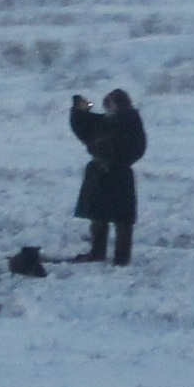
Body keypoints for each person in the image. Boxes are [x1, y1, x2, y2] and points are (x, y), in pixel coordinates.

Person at [69, 88, 146, 265]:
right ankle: (97, 253)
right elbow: (84, 128)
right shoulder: (107, 121)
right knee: (98, 216)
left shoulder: (129, 120)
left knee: (122, 220)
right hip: (101, 173)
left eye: (110, 103)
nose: (107, 108)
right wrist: (78, 111)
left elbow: (136, 147)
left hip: (118, 174)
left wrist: (115, 160)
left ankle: (121, 257)